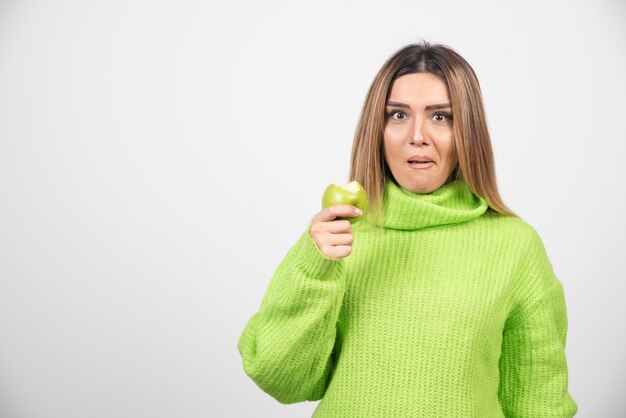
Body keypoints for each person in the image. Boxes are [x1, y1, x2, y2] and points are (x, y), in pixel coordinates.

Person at [237, 41, 578, 417]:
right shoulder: (336, 238)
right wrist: (313, 269)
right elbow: (281, 378)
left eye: (441, 117)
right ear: (378, 130)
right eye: (398, 116)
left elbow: (538, 400)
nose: (417, 135)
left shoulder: (515, 245)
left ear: (468, 131)